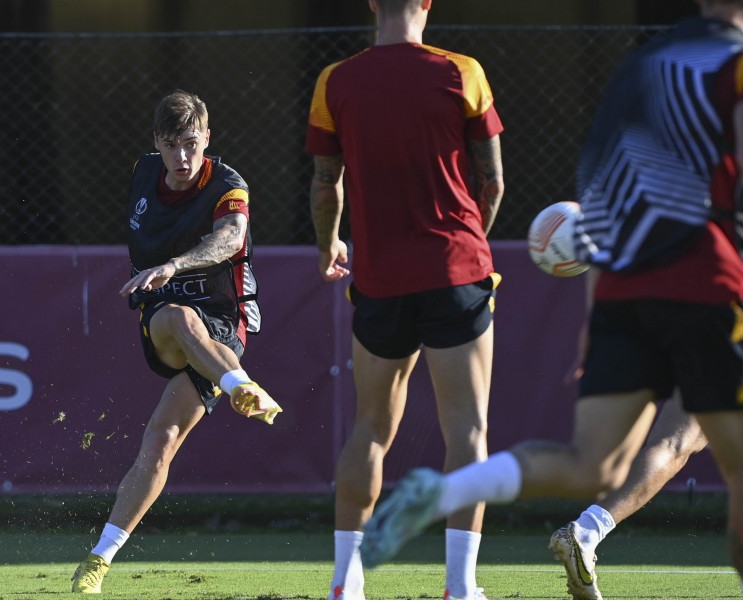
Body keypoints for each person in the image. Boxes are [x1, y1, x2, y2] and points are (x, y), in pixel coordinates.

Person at [359, 2, 743, 599]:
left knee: (594, 462)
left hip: (632, 294)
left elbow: (601, 198)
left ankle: (448, 490)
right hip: (726, 299)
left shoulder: (648, 69)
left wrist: (597, 313)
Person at [305, 0, 505, 598]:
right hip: (456, 273)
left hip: (382, 279)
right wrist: (470, 244)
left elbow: (324, 184)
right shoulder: (462, 71)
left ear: (372, 3)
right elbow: (491, 180)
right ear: (427, 3)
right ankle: (461, 587)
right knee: (468, 430)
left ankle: (346, 582)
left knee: (369, 428)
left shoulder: (335, 80)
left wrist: (326, 248)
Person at [71, 89, 282, 594]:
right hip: (165, 320)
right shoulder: (144, 174)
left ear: (207, 138)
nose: (182, 157)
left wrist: (173, 264)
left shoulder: (230, 185)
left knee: (161, 442)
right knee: (179, 315)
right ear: (157, 145)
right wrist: (161, 277)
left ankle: (97, 562)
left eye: (191, 143)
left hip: (227, 328)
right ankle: (242, 387)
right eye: (172, 145)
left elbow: (231, 237)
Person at [550, 217, 743, 600]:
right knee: (689, 446)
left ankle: (585, 530)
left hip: (700, 314)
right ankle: (586, 531)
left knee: (682, 443)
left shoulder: (713, 177)